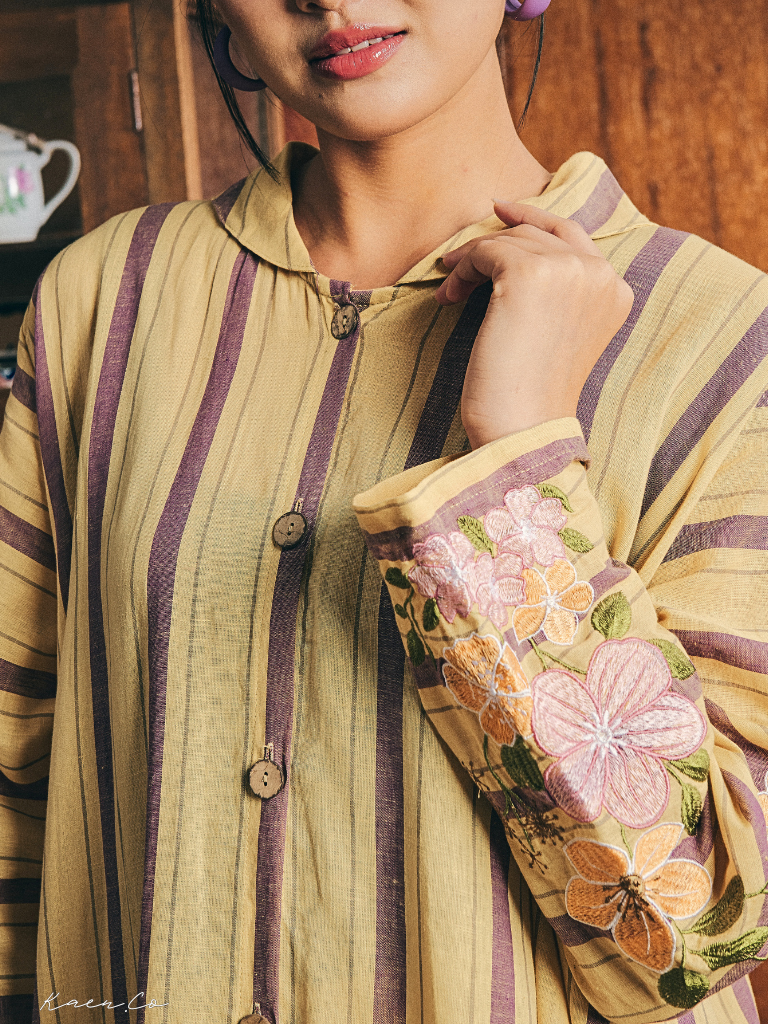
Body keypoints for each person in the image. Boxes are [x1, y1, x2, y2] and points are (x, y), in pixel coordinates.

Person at [1, 0, 767, 1022]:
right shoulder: (101, 303)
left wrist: (518, 462)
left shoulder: (727, 344)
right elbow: (15, 797)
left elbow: (691, 935)